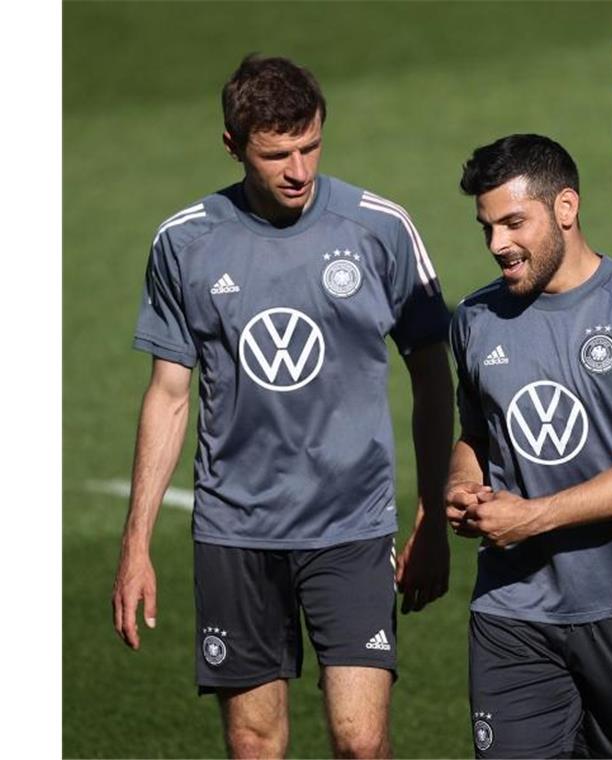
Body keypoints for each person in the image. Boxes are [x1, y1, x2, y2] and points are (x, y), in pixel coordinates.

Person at [110, 54, 454, 759]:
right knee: (254, 741)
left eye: (310, 146)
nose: (299, 170)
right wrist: (136, 542)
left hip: (350, 523)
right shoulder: (186, 243)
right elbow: (169, 395)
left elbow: (433, 374)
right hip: (235, 528)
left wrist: (431, 516)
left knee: (361, 742)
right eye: (276, 154)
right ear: (233, 146)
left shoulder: (379, 229)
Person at [447, 134, 612, 758]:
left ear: (566, 208)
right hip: (513, 609)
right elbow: (474, 434)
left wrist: (533, 517)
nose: (498, 245)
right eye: (487, 228)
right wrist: (461, 484)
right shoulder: (475, 319)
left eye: (513, 223)